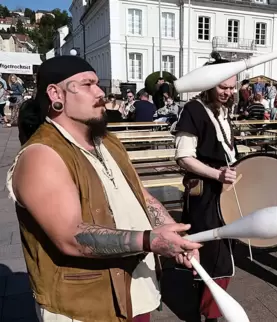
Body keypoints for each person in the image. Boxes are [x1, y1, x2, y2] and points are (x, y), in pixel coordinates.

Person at [10, 55, 202, 322]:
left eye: (97, 84)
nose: (100, 92)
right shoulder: (41, 155)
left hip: (134, 292)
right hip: (85, 306)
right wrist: (151, 240)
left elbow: (142, 197)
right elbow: (71, 236)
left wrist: (176, 234)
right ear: (56, 93)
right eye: (88, 84)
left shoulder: (107, 141)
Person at [173, 52, 238, 322]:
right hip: (205, 195)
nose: (228, 92)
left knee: (220, 249)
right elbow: (184, 157)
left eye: (232, 87)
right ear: (210, 84)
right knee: (211, 252)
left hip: (222, 190)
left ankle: (208, 308)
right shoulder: (193, 110)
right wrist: (217, 174)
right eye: (223, 87)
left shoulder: (222, 110)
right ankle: (208, 313)